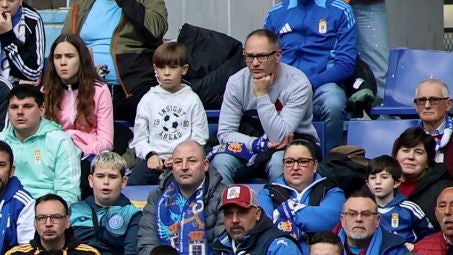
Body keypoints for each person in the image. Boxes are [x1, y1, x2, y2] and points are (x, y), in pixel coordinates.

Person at [211, 29, 313, 186]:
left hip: (293, 145)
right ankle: (224, 209)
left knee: (281, 162)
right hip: (249, 145)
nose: (255, 63)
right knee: (221, 161)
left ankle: (281, 209)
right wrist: (256, 144)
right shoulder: (236, 82)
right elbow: (225, 133)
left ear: (278, 56)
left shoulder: (298, 84)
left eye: (262, 56)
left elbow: (279, 137)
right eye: (249, 56)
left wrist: (261, 94)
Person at [266, 0, 356, 155]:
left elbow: (346, 64)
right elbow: (265, 58)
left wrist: (308, 83)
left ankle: (329, 162)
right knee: (261, 101)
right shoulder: (275, 13)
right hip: (284, 86)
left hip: (323, 85)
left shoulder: (341, 10)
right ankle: (277, 158)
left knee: (333, 104)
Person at [0, 83, 77, 206]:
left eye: (27, 106)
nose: (20, 112)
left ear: (42, 110)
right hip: (2, 211)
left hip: (45, 215)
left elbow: (68, 195)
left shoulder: (60, 142)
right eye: (14, 107)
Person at [129, 40, 206, 174]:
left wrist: (181, 157)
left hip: (185, 162)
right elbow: (139, 139)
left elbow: (199, 137)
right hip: (154, 161)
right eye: (162, 67)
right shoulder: (148, 100)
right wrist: (150, 155)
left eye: (172, 67)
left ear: (184, 69)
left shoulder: (192, 99)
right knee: (135, 181)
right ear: (155, 69)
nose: (167, 73)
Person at [38, 33, 110, 163]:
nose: (63, 62)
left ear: (81, 59)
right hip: (55, 157)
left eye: (69, 56)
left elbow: (106, 142)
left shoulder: (100, 90)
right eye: (57, 57)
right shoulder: (45, 91)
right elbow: (42, 137)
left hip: (89, 157)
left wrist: (77, 148)